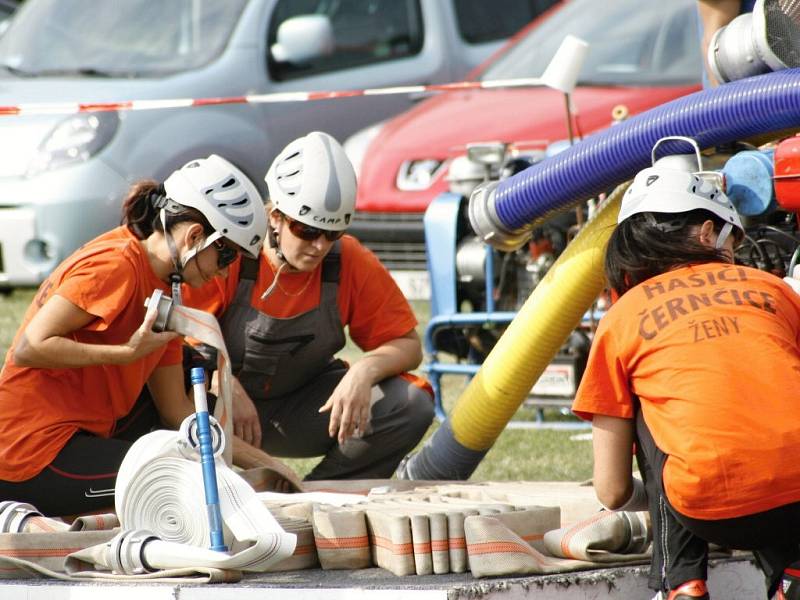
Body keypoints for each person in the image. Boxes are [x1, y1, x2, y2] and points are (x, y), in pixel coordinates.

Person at [572, 146, 800, 600]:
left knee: (665, 410)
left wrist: (662, 497)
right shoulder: (776, 290)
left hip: (705, 505)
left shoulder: (622, 318)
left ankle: (680, 583)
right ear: (710, 232)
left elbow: (612, 491)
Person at [0, 154, 267, 517]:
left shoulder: (169, 286)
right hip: (30, 452)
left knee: (196, 389)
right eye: (228, 258)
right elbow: (30, 348)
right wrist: (125, 352)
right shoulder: (116, 265)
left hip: (81, 435)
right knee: (182, 479)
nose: (224, 274)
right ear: (195, 236)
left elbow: (177, 411)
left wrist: (263, 464)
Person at [184, 131, 435, 480]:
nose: (319, 246)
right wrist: (222, 379)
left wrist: (365, 371)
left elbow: (408, 345)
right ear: (274, 217)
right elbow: (177, 332)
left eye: (331, 235)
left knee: (410, 403)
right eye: (305, 230)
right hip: (217, 410)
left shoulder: (350, 262)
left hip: (300, 410)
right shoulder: (231, 254)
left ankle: (324, 496)